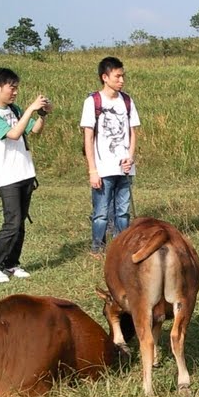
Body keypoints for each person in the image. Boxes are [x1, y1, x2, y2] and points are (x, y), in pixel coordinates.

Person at [0, 67, 49, 283]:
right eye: (12, 87)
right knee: (12, 221)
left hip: (25, 173)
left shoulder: (15, 109)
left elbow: (34, 130)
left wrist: (42, 114)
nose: (15, 92)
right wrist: (30, 109)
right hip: (7, 176)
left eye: (16, 88)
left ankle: (11, 264)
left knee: (19, 224)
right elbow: (13, 133)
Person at [81, 56, 140, 258]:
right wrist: (92, 169)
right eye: (118, 76)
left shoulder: (127, 101)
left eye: (123, 76)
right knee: (101, 212)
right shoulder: (92, 102)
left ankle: (121, 248)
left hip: (124, 167)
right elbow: (88, 137)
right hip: (102, 168)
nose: (122, 80)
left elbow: (133, 132)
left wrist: (130, 157)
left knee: (123, 211)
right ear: (105, 77)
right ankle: (97, 249)